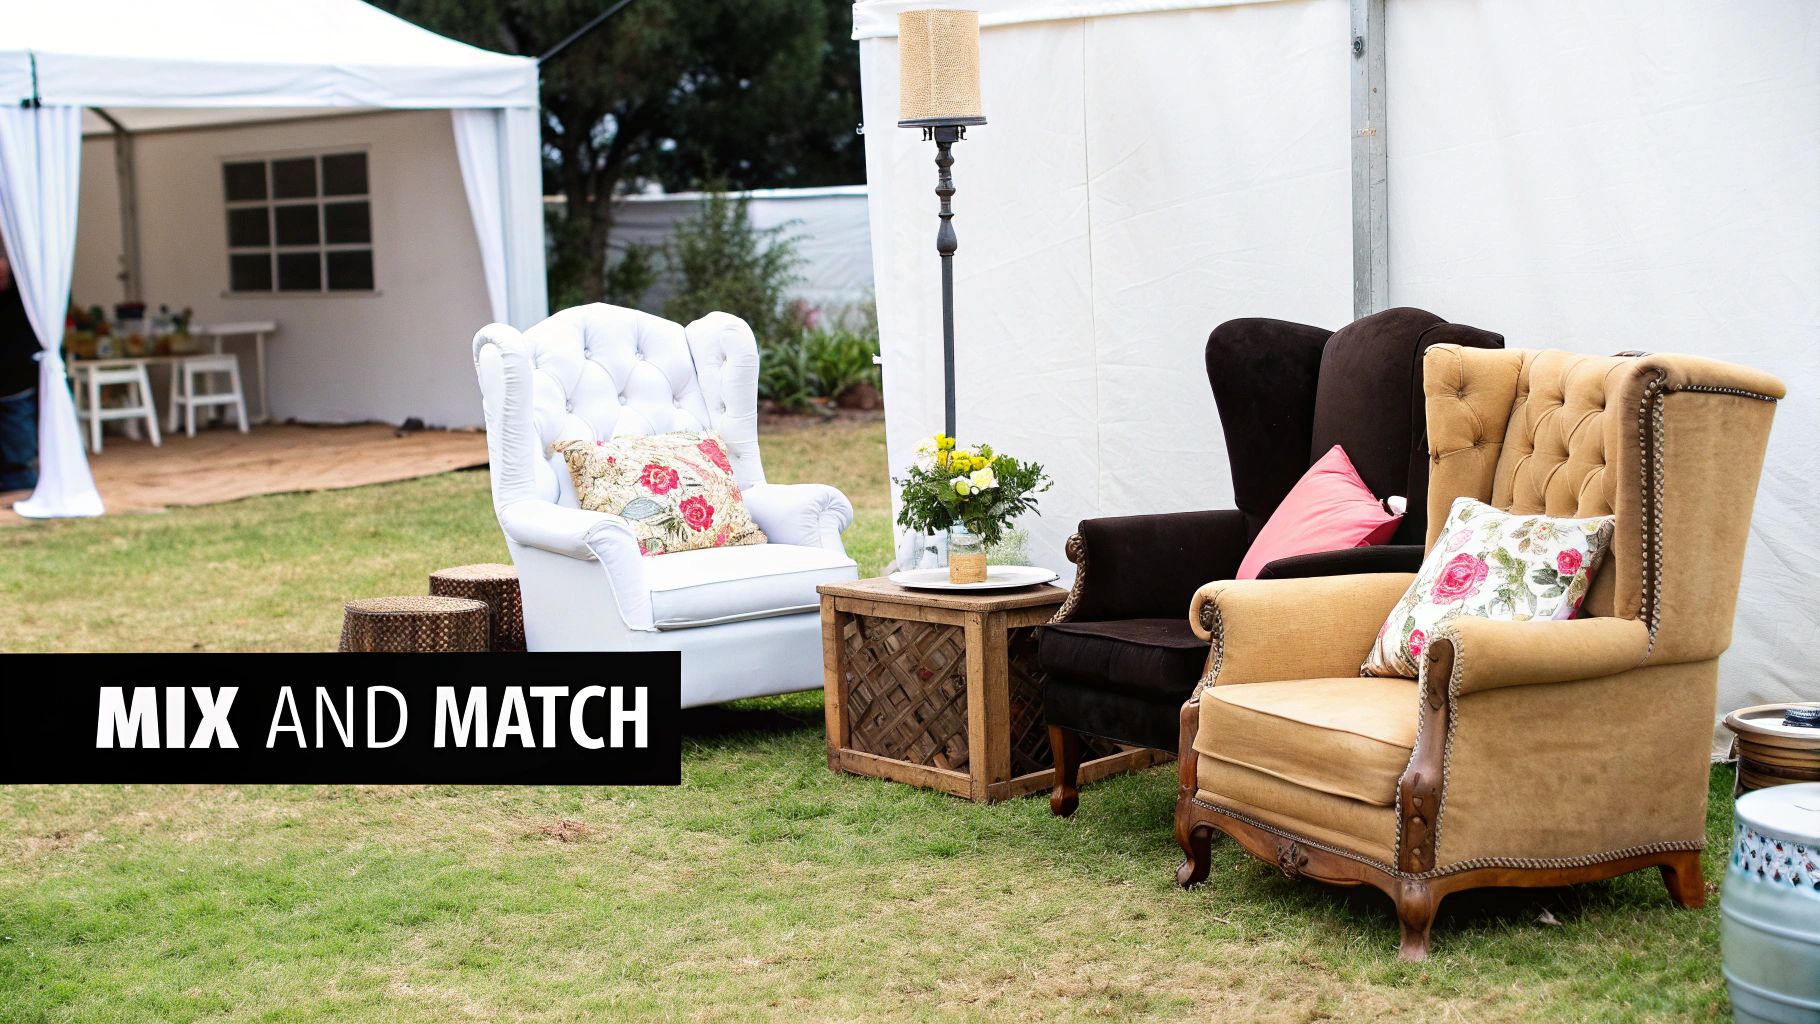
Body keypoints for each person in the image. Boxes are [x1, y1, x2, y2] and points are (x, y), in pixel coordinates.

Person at [0, 243, 41, 494]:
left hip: (17, 378)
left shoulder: (24, 299)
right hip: (11, 376)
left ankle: (21, 477)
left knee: (17, 432)